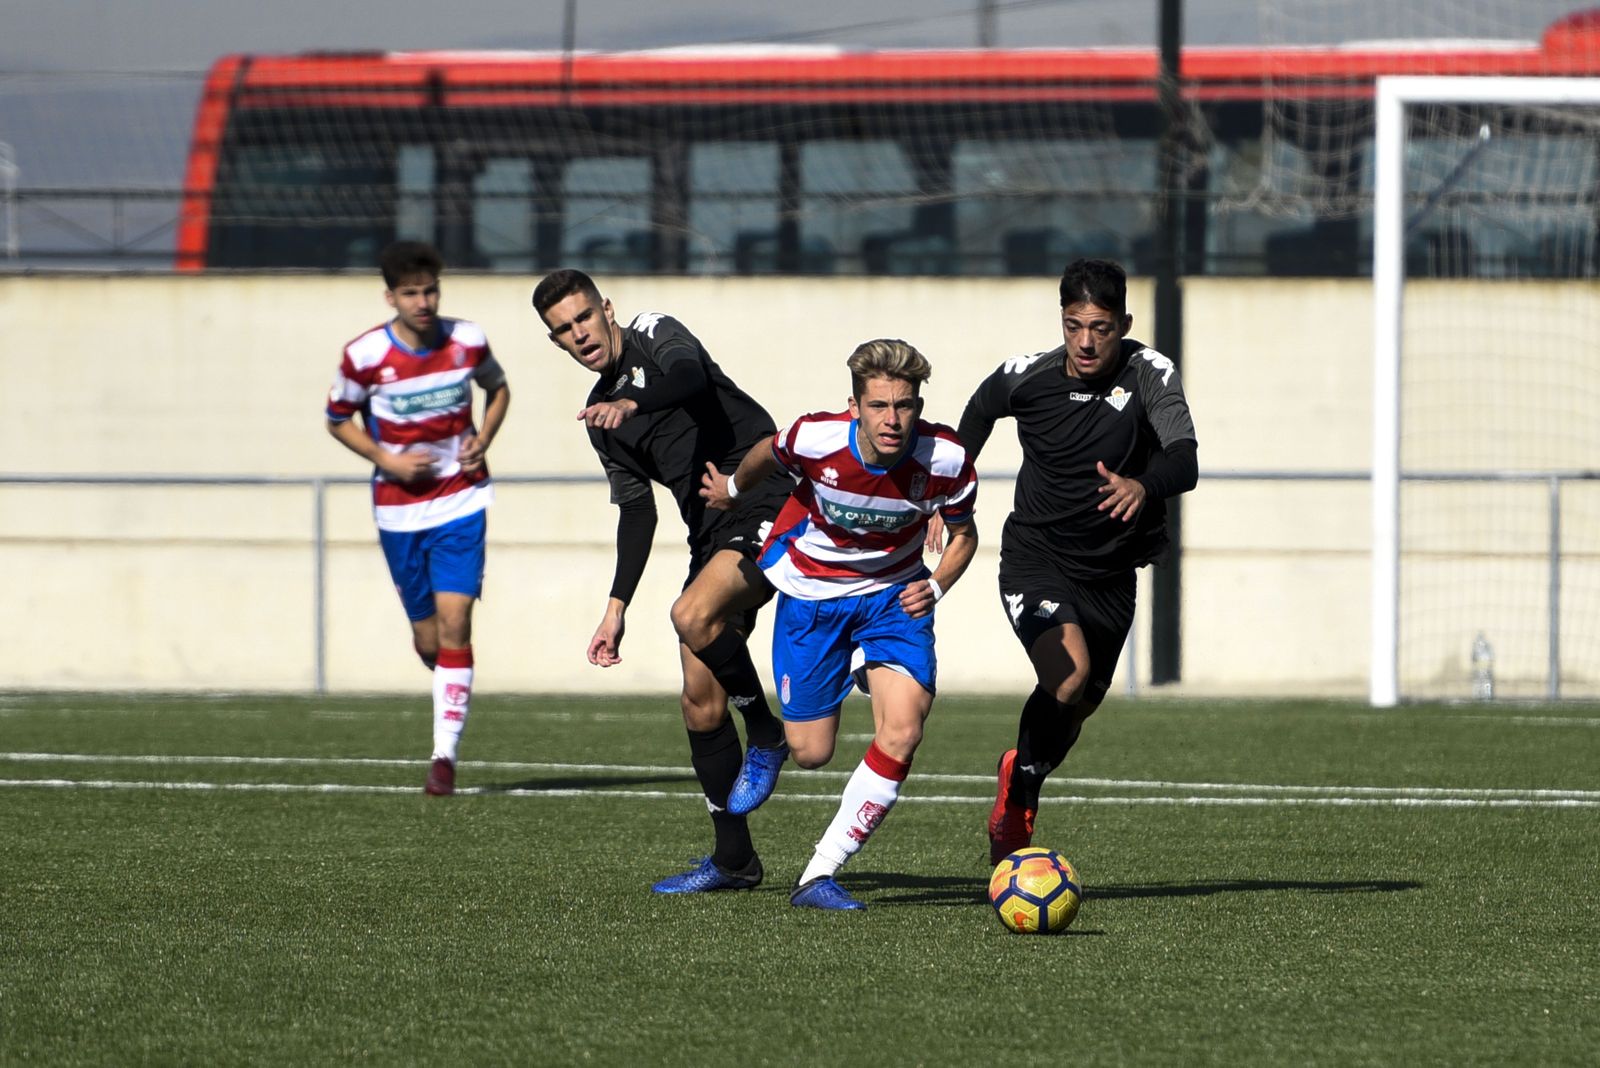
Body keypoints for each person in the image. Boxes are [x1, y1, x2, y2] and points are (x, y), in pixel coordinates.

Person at [532, 268, 796, 894]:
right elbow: (637, 511)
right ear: (558, 342)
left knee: (690, 616)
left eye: (584, 317)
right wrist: (615, 605)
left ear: (608, 310)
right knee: (699, 700)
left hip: (761, 495)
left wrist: (634, 400)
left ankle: (765, 729)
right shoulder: (603, 421)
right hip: (710, 533)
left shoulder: (656, 334)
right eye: (564, 330)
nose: (580, 334)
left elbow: (690, 376)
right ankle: (735, 861)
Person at [703, 339, 979, 911]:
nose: (893, 420)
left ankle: (819, 874)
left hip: (891, 599)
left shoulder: (946, 459)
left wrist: (935, 585)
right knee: (811, 752)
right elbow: (765, 452)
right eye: (879, 406)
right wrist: (732, 490)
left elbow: (964, 535)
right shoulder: (815, 438)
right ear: (854, 406)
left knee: (903, 730)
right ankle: (841, 676)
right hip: (812, 598)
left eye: (905, 405)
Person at [947, 257, 1198, 864]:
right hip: (1035, 555)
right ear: (1061, 321)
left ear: (1124, 323)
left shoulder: (1149, 374)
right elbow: (978, 413)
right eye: (1074, 325)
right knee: (1068, 674)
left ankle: (1021, 776)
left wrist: (1143, 484)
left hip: (1111, 572)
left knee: (1079, 703)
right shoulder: (1026, 377)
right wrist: (949, 495)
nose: (1086, 341)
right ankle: (1020, 803)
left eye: (1102, 327)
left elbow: (1185, 460)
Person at [325, 240, 511, 797]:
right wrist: (386, 458)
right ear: (391, 297)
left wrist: (483, 437)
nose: (423, 301)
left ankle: (443, 758)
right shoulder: (363, 357)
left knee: (458, 625)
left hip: (462, 500)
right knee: (431, 640)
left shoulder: (467, 340)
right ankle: (441, 671)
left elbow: (498, 389)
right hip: (400, 512)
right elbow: (337, 418)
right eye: (411, 292)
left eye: (430, 289)